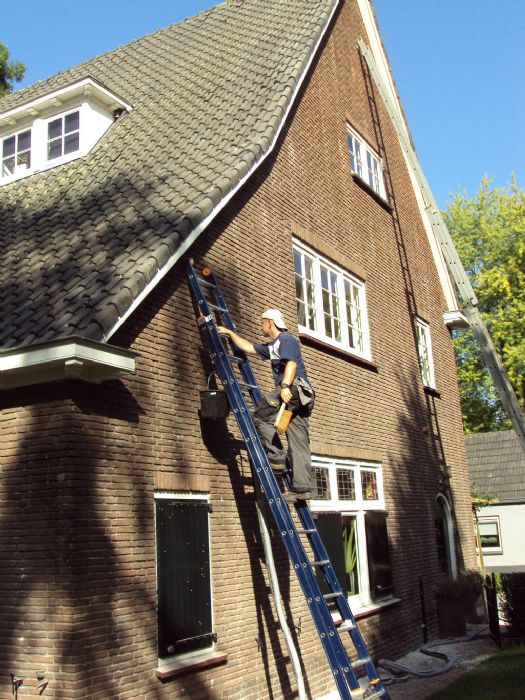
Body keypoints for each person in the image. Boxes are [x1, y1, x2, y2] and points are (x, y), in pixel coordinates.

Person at [217, 309, 314, 502]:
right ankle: (302, 489)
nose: (261, 327)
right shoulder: (273, 346)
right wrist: (230, 333)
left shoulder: (286, 340)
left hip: (294, 390)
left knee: (260, 415)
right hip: (301, 400)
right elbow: (249, 348)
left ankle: (276, 457)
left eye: (262, 323)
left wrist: (285, 386)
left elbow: (292, 364)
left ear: (270, 322)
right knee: (298, 440)